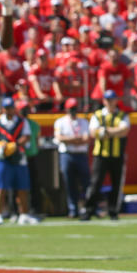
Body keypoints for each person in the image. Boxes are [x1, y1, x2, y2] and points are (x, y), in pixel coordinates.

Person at [80, 90, 130, 221]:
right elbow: (93, 132)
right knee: (95, 183)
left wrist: (106, 131)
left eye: (112, 99)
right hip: (100, 155)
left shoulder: (122, 114)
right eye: (107, 100)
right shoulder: (97, 115)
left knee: (117, 184)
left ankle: (113, 211)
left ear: (116, 100)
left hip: (117, 154)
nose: (110, 102)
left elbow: (124, 130)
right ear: (103, 101)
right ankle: (89, 210)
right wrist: (114, 132)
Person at [0, 95, 39, 224]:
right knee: (1, 187)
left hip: (19, 157)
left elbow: (26, 137)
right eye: (7, 108)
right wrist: (2, 146)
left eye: (11, 108)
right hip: (3, 157)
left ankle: (24, 214)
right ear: (3, 109)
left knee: (23, 187)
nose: (9, 110)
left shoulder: (22, 121)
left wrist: (15, 145)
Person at [54, 98, 91, 217]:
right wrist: (77, 140)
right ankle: (72, 209)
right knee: (70, 184)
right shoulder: (60, 122)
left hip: (81, 155)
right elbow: (60, 138)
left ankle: (87, 207)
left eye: (75, 108)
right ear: (67, 109)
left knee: (86, 183)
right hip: (67, 155)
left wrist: (70, 140)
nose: (73, 111)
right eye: (71, 109)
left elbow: (86, 139)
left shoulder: (83, 122)